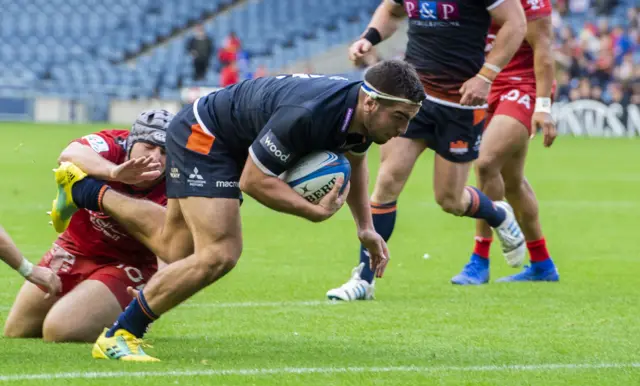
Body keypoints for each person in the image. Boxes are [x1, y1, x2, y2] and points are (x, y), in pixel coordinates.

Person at [49, 60, 426, 361]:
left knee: (176, 250)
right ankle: (120, 335)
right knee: (220, 254)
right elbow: (254, 181)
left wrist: (365, 227)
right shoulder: (309, 114)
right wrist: (311, 212)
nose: (404, 128)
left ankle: (84, 190)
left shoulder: (358, 115)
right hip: (205, 135)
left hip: (226, 137)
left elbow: (357, 161)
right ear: (371, 103)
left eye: (409, 119)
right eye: (400, 118)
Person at [326, 0, 528, 301]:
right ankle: (364, 281)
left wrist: (486, 76)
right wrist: (368, 38)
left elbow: (516, 24)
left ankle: (497, 212)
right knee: (387, 182)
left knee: (450, 199)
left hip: (461, 102)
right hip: (412, 98)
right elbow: (392, 10)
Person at [4, 110, 172, 342]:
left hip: (129, 264)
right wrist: (113, 172)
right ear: (131, 142)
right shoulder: (113, 145)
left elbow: (169, 245)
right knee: (16, 331)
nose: (156, 157)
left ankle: (116, 313)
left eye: (164, 152)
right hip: (76, 247)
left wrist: (153, 295)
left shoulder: (175, 183)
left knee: (59, 330)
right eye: (148, 147)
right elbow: (69, 154)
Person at [452, 0, 560, 284]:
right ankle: (542, 263)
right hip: (484, 84)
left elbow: (543, 49)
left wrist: (543, 106)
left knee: (486, 163)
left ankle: (480, 258)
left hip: (522, 85)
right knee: (511, 181)